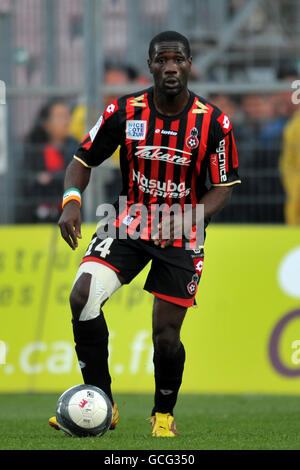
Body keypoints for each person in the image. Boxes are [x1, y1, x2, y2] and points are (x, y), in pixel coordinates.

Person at [49, 31, 241, 437]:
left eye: (178, 60)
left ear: (189, 65)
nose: (170, 67)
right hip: (128, 222)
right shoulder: (124, 110)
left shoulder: (213, 122)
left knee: (166, 335)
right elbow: (82, 158)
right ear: (150, 64)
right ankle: (102, 403)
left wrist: (192, 217)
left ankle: (164, 413)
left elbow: (223, 186)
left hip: (182, 233)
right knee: (82, 296)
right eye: (162, 60)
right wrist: (70, 200)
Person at [22, 99, 78, 223]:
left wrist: (51, 178)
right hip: (39, 215)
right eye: (60, 117)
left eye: (68, 116)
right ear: (46, 124)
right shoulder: (35, 148)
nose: (66, 121)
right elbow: (30, 182)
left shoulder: (75, 146)